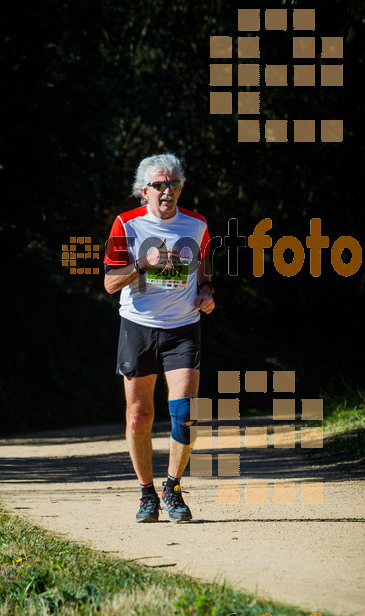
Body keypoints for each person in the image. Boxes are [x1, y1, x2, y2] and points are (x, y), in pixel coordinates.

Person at [104, 153, 215, 523]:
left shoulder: (197, 225)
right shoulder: (126, 224)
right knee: (139, 415)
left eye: (174, 184)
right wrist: (143, 264)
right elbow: (109, 282)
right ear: (143, 191)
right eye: (159, 185)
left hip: (183, 327)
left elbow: (204, 266)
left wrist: (207, 291)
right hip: (137, 326)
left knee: (184, 414)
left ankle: (173, 487)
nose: (167, 191)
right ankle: (146, 494)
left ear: (181, 187)